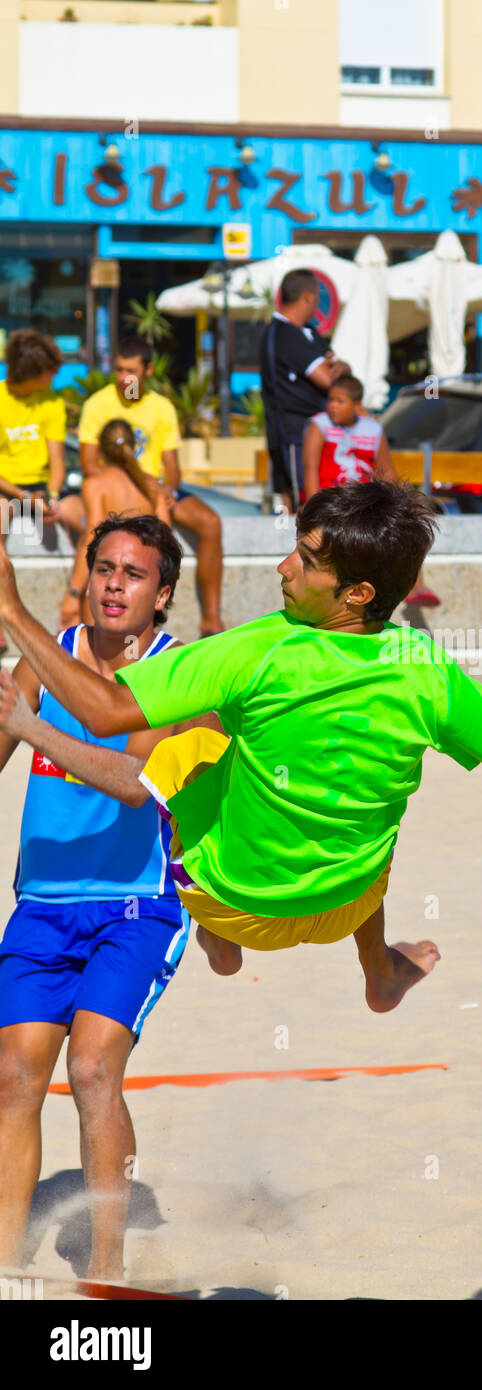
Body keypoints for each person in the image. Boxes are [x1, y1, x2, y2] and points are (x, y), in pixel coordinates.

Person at [0, 480, 482, 1012]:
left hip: (234, 900)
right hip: (343, 902)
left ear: (359, 592)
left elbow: (106, 710)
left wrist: (10, 611)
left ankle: (220, 943)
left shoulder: (256, 647)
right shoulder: (424, 668)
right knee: (376, 801)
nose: (284, 568)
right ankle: (380, 973)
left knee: (192, 748)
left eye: (307, 562)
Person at [0, 513, 218, 1282]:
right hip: (43, 904)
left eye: (134, 573)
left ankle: (108, 1271)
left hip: (137, 906)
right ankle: (5, 1271)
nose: (115, 583)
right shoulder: (47, 655)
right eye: (105, 569)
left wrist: (30, 726)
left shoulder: (175, 672)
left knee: (93, 1069)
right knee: (16, 1076)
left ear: (163, 595)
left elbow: (134, 783)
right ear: (86, 578)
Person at [77, 335, 224, 637]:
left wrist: (167, 491)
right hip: (120, 486)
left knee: (211, 522)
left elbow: (172, 467)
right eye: (118, 370)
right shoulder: (98, 404)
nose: (123, 378)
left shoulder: (162, 407)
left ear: (148, 370)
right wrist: (131, 480)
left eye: (130, 370)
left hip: (155, 488)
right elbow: (89, 465)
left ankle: (210, 617)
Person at [303, 375, 440, 607]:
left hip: (365, 503)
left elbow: (387, 472)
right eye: (331, 400)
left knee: (406, 527)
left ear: (356, 405)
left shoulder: (373, 429)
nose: (332, 406)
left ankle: (416, 586)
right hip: (333, 503)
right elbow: (310, 468)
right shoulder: (320, 425)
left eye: (340, 401)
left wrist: (408, 505)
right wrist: (312, 508)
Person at [0, 329, 85, 652]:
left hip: (42, 487)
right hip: (7, 487)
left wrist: (48, 497)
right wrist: (23, 497)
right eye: (51, 370)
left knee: (93, 524)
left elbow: (58, 460)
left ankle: (75, 603)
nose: (57, 373)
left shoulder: (51, 401)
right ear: (32, 373)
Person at [259, 269, 351, 513]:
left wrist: (338, 367)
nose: (319, 302)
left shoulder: (307, 333)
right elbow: (326, 378)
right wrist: (335, 367)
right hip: (294, 435)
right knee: (307, 507)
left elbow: (344, 370)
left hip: (310, 432)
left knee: (318, 504)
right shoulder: (284, 333)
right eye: (318, 296)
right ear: (308, 297)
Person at [64, 420, 171, 624]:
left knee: (97, 651)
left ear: (100, 450)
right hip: (143, 583)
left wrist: (73, 592)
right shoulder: (150, 484)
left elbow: (91, 539)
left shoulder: (96, 485)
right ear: (133, 446)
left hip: (109, 581)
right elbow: (166, 538)